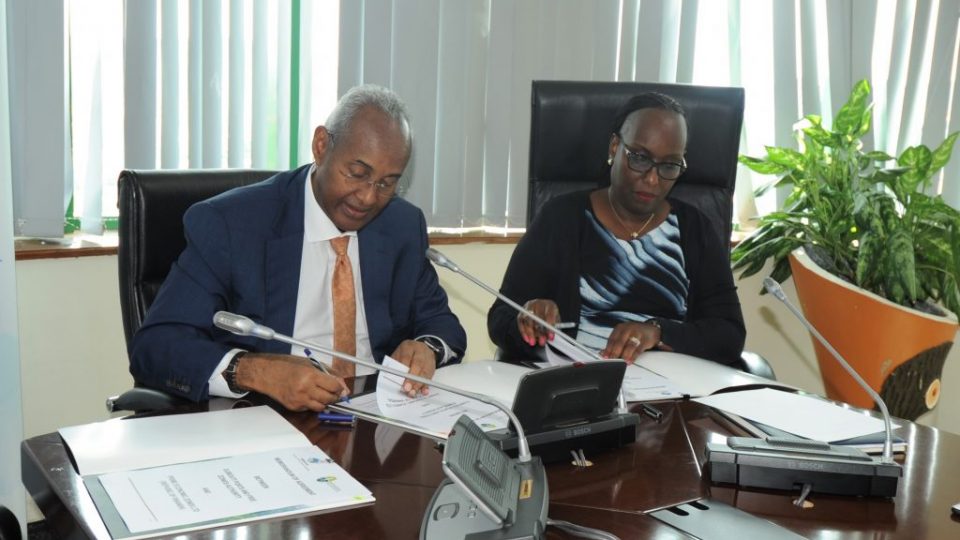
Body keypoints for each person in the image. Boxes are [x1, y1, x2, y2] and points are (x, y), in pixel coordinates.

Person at [130, 84, 467, 411]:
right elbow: (155, 346)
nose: (367, 197)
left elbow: (442, 326)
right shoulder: (231, 225)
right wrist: (255, 371)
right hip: (265, 420)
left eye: (386, 183)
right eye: (357, 173)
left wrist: (427, 348)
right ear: (321, 146)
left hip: (374, 422)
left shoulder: (400, 226)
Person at [488, 92, 744, 366]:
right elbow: (501, 318)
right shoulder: (561, 218)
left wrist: (658, 332)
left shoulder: (695, 229)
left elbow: (729, 334)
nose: (653, 178)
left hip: (673, 391)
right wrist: (527, 320)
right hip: (582, 385)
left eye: (669, 165)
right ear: (614, 148)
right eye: (640, 158)